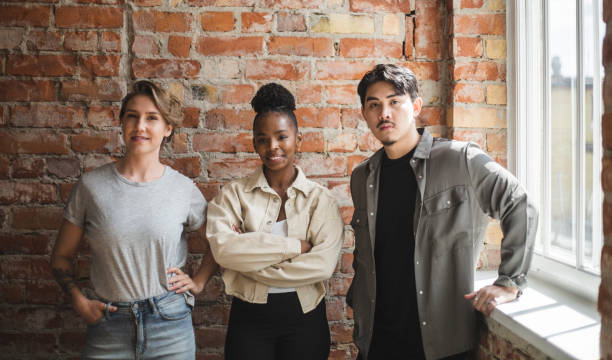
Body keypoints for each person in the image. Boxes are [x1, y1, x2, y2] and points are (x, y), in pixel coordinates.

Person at [347, 64, 538, 360]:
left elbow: (519, 203)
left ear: (416, 106)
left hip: (438, 345)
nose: (384, 113)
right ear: (365, 114)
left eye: (394, 102)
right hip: (376, 342)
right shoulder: (363, 177)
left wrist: (509, 282)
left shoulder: (460, 159)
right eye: (374, 105)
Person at [50, 80, 218, 359]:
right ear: (122, 123)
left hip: (170, 327)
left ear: (167, 128)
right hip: (108, 326)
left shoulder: (183, 189)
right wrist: (78, 299)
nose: (140, 126)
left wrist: (199, 281)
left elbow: (219, 241)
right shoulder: (91, 187)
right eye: (132, 116)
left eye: (152, 118)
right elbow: (60, 258)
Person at [206, 83, 344, 360]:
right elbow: (224, 251)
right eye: (262, 139)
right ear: (254, 143)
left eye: (282, 136)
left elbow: (323, 266)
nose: (273, 147)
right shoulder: (233, 195)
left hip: (305, 320)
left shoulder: (321, 200)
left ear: (298, 139)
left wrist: (249, 263)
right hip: (249, 319)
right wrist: (294, 247)